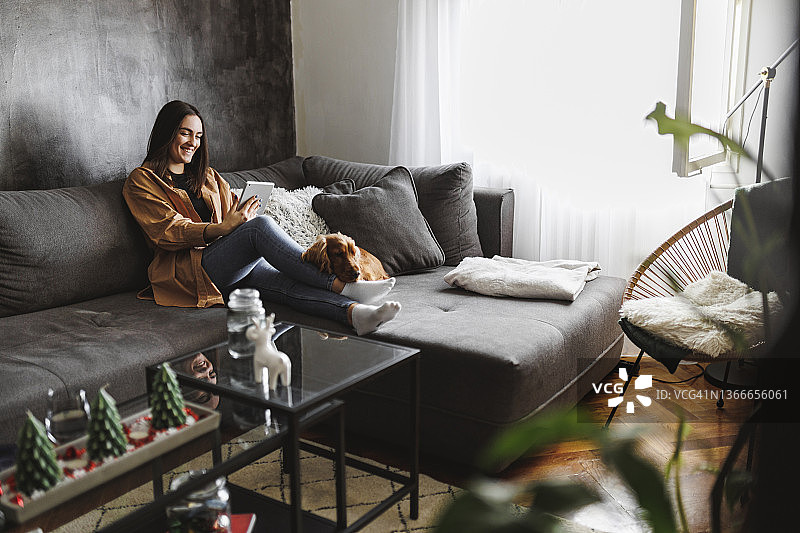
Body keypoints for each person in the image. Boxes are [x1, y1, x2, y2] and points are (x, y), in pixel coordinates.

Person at [123, 100, 400, 335]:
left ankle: (355, 314)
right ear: (167, 133)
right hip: (189, 271)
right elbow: (168, 230)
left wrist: (240, 216)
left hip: (229, 264)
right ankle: (346, 286)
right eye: (185, 134)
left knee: (287, 286)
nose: (193, 143)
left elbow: (232, 211)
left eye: (198, 136)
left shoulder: (207, 176)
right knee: (260, 228)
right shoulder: (141, 181)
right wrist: (220, 228)